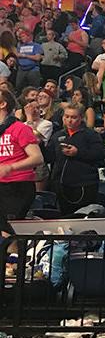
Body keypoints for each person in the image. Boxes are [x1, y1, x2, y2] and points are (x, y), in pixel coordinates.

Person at [0, 89, 44, 237]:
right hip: (1, 184)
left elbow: (37, 157)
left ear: (3, 104)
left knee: (8, 234)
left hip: (17, 186)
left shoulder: (19, 128)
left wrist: (11, 167)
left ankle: (13, 258)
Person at [46, 104, 104, 215]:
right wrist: (38, 144)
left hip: (84, 185)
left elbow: (99, 154)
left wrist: (78, 153)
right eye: (66, 117)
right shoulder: (57, 135)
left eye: (73, 117)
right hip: (61, 185)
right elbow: (49, 157)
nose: (69, 120)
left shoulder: (90, 135)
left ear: (81, 118)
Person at [19, 94, 53, 192]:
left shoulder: (46, 124)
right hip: (24, 163)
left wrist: (29, 117)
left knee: (38, 195)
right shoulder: (21, 125)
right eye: (31, 108)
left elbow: (33, 140)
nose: (34, 110)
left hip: (38, 163)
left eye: (37, 108)